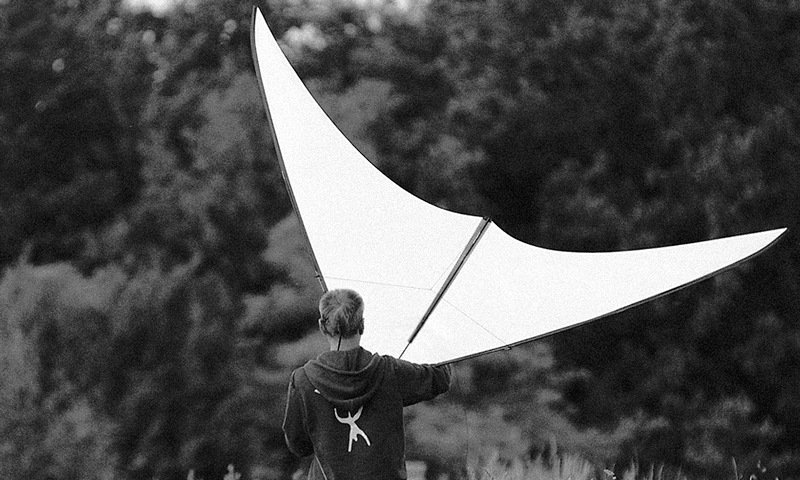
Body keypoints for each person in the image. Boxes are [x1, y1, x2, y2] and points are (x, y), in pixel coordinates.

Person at [283, 288, 452, 480]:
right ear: (362, 325)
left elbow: (298, 445)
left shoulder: (303, 380)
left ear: (322, 326)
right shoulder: (389, 371)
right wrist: (435, 330)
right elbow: (440, 378)